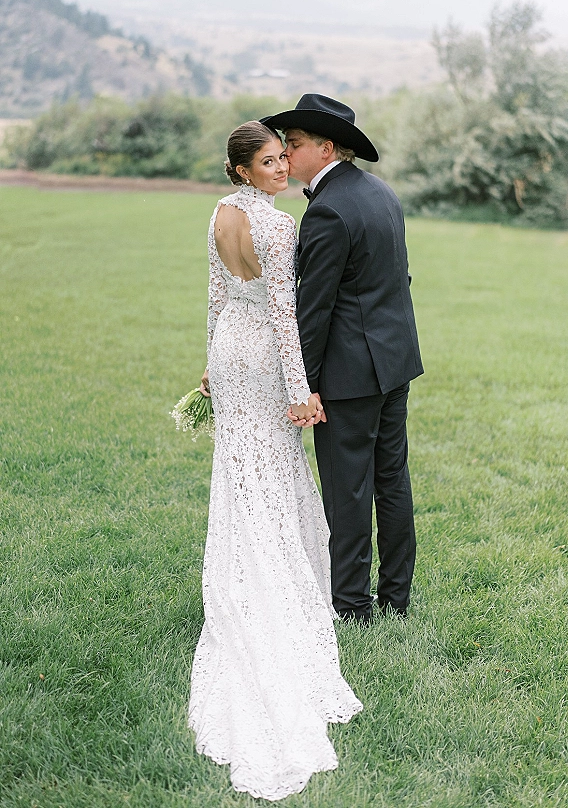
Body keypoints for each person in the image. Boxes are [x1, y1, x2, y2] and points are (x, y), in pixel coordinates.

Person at [188, 120, 362, 802]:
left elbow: (215, 295)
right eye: (267, 162)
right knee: (272, 474)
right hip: (260, 357)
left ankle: (241, 569)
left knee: (241, 474)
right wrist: (301, 393)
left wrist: (207, 364)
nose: (280, 168)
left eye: (280, 157)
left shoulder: (219, 214)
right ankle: (270, 586)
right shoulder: (280, 226)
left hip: (229, 352)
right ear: (242, 170)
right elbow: (286, 314)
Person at [262, 94, 423, 625]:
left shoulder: (328, 208)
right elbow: (397, 280)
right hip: (394, 362)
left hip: (351, 375)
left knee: (348, 488)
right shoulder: (380, 192)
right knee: (391, 479)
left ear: (326, 147)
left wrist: (299, 384)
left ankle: (351, 606)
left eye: (296, 144)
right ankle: (396, 598)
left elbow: (315, 311)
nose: (286, 153)